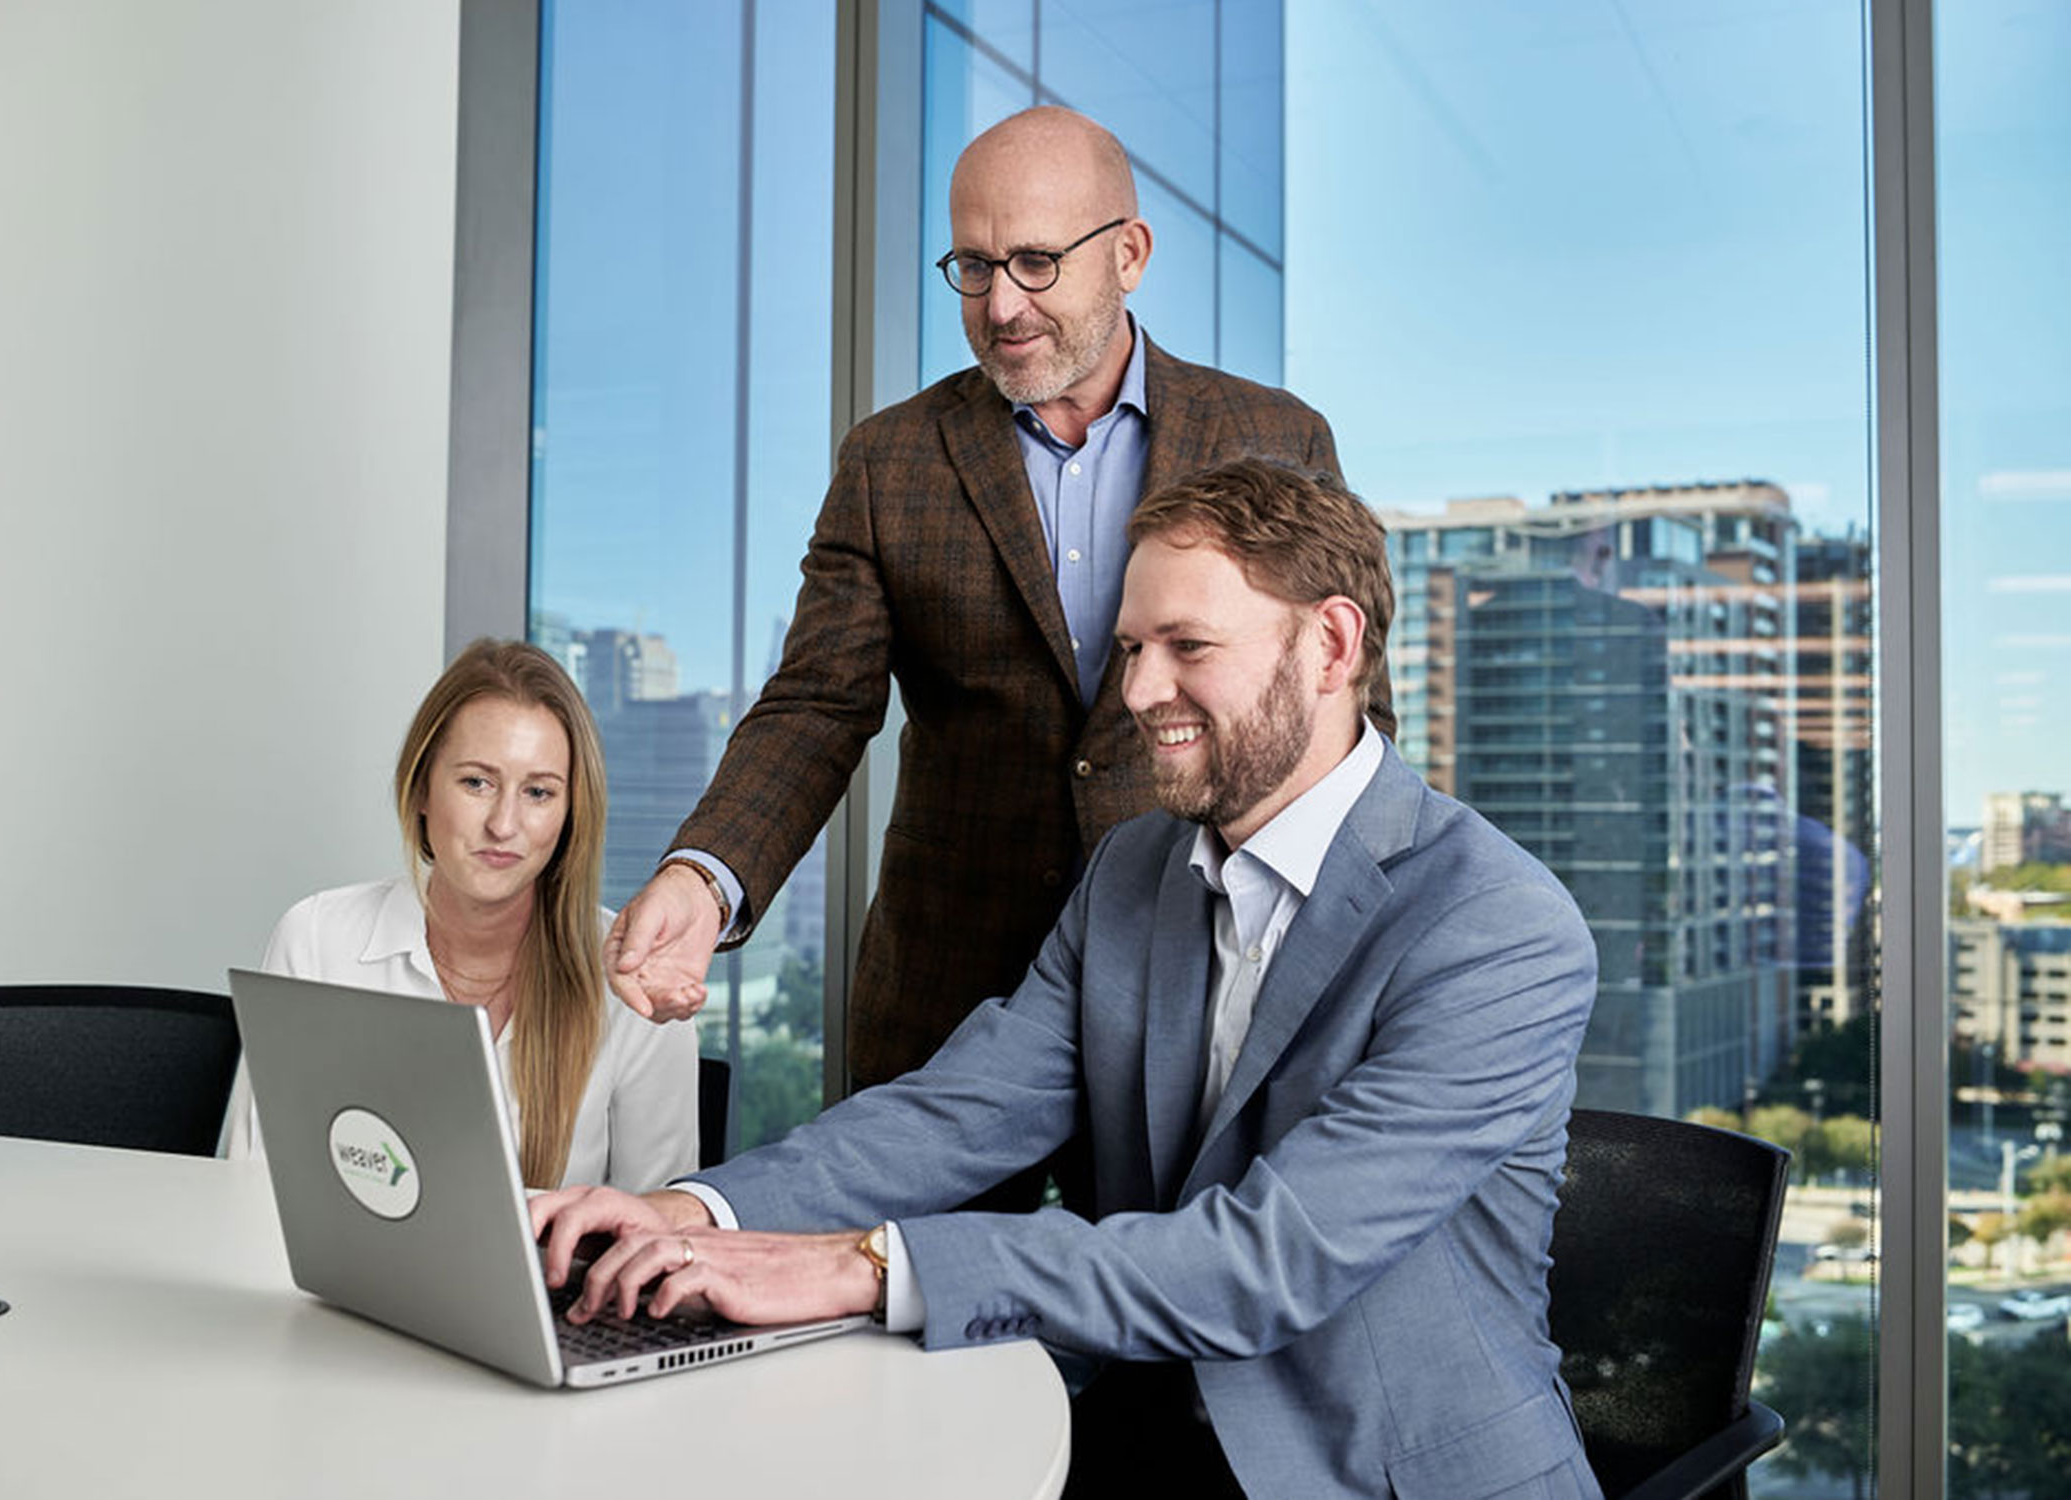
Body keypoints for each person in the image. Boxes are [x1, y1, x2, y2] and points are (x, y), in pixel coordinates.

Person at [531, 461, 1601, 1500]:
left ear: (1329, 645)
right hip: (1131, 1429)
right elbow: (959, 1112)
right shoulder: (1133, 870)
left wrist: (858, 1264)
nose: (1136, 692)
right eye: (1131, 647)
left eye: (1187, 646)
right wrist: (692, 1212)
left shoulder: (1496, 928)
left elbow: (1260, 1263)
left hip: (1374, 1468)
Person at [604, 107, 1392, 1107]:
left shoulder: (1276, 435)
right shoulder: (890, 459)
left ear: (1129, 255)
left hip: (1196, 977)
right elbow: (815, 706)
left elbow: (1347, 723)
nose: (1001, 304)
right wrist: (703, 876)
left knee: (1165, 1266)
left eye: (1034, 262)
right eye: (972, 267)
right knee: (886, 1260)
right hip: (947, 992)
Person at [244, 638, 697, 1192]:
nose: (504, 825)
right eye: (476, 783)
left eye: (538, 792)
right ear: (421, 790)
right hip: (340, 1282)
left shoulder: (631, 980)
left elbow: (657, 1235)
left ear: (570, 813)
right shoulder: (317, 941)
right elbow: (251, 1189)